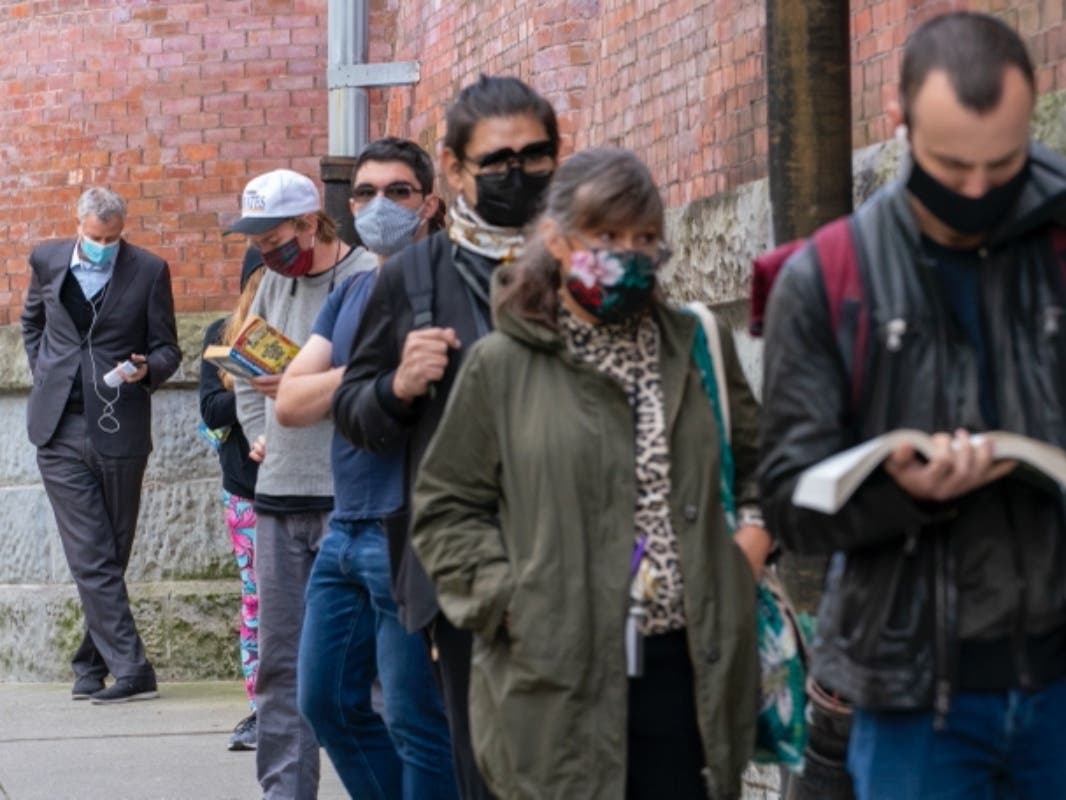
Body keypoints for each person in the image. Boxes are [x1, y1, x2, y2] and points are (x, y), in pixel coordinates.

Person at [759, 12, 1066, 800]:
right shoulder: (823, 278)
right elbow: (789, 501)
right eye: (950, 165)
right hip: (909, 699)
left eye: (1001, 166)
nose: (974, 191)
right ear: (897, 120)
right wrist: (901, 494)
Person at [409, 148, 767, 799]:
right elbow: (444, 509)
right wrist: (508, 600)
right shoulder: (501, 365)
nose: (628, 254)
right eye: (605, 236)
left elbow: (758, 468)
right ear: (556, 239)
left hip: (689, 671)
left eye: (645, 239)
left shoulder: (697, 345)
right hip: (555, 678)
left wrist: (749, 548)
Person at [332, 75, 560, 800]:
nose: (516, 174)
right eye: (496, 161)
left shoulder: (589, 260)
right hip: (470, 570)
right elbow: (353, 408)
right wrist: (398, 386)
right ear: (455, 169)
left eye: (535, 155)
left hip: (589, 554)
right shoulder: (414, 277)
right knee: (486, 767)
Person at [275, 136, 458, 799]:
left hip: (405, 528)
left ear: (428, 203)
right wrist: (374, 376)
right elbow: (290, 403)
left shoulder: (444, 283)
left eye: (398, 192)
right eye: (364, 193)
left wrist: (340, 383)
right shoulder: (350, 293)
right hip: (344, 527)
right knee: (324, 703)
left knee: (416, 717)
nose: (379, 205)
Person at [228, 168, 374, 799]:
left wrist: (301, 391)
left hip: (347, 500)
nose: (264, 249)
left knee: (364, 675)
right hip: (279, 497)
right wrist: (262, 431)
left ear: (310, 223)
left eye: (272, 236)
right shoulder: (268, 284)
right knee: (279, 672)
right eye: (256, 239)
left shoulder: (366, 278)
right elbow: (244, 368)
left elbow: (378, 383)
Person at [21, 186, 180, 704]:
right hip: (58, 429)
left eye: (113, 238)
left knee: (111, 553)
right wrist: (45, 373)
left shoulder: (150, 271)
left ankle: (89, 664)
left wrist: (145, 370)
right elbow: (32, 323)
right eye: (95, 237)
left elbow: (168, 350)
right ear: (79, 225)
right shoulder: (46, 259)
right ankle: (135, 670)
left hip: (120, 427)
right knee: (91, 553)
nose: (103, 245)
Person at [198, 248, 264, 751]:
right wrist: (254, 382)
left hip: (309, 487)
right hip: (246, 490)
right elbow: (210, 409)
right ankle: (262, 708)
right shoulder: (220, 334)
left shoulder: (313, 326)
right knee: (258, 601)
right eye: (259, 278)